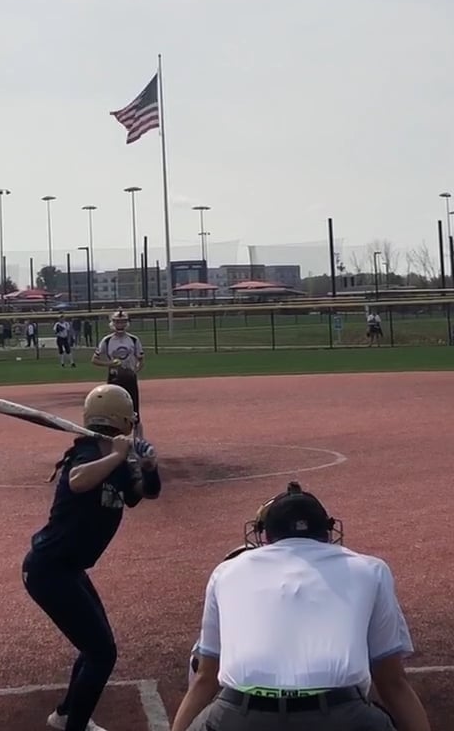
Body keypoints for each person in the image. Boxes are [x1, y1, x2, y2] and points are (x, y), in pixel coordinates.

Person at [171, 482, 430, 731]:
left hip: (241, 717)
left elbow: (205, 679)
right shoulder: (371, 570)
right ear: (327, 533)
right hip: (342, 717)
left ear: (266, 535)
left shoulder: (226, 572)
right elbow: (392, 682)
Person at [22, 384, 161, 731]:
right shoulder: (86, 451)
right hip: (48, 570)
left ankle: (65, 715)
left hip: (68, 569)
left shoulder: (116, 460)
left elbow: (145, 494)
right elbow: (78, 481)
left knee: (95, 648)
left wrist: (149, 467)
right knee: (102, 653)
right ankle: (74, 724)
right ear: (122, 419)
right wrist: (116, 456)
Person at [91, 311, 147, 438]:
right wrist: (110, 363)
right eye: (117, 322)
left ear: (127, 323)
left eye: (122, 322)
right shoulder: (107, 340)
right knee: (112, 410)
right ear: (112, 323)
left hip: (129, 377)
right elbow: (94, 360)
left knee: (134, 411)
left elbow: (141, 360)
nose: (120, 325)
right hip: (114, 378)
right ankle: (113, 440)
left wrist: (135, 370)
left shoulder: (133, 340)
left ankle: (138, 441)